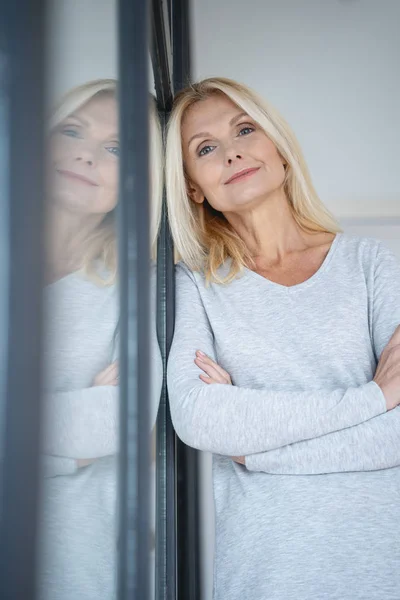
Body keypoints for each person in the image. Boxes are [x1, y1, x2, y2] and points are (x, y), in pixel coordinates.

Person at [166, 77, 400, 600]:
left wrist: (259, 451)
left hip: (384, 563)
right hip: (269, 571)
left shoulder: (368, 264)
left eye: (244, 129)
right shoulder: (195, 286)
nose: (232, 152)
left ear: (280, 149)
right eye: (206, 148)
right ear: (192, 187)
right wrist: (376, 397)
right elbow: (200, 417)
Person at [39, 79, 163, 600]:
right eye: (73, 131)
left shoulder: (138, 282)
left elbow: (119, 422)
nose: (87, 156)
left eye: (116, 148)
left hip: (76, 562)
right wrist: (70, 442)